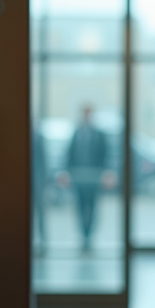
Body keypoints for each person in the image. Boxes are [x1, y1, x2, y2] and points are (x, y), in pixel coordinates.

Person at [65, 104, 107, 251]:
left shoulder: (99, 134)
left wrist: (106, 174)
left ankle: (90, 236)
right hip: (78, 178)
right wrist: (67, 174)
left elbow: (105, 155)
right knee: (80, 207)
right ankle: (83, 235)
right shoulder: (76, 133)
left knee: (93, 207)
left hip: (94, 178)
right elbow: (69, 155)